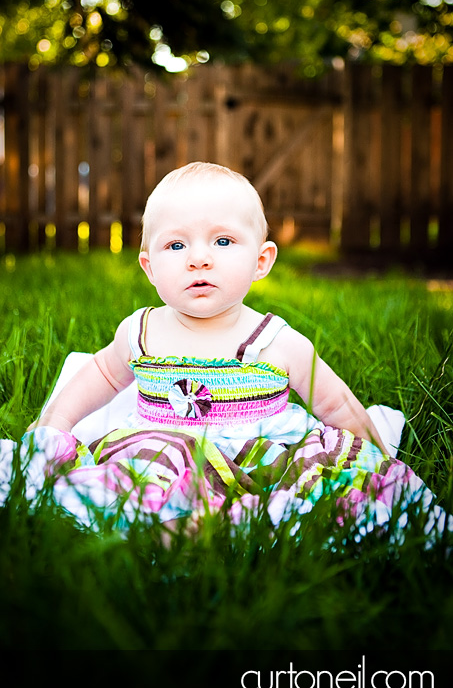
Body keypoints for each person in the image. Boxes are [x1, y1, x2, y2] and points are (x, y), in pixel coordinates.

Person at [27, 162, 441, 536]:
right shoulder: (141, 332)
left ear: (261, 261)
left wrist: (379, 455)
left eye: (223, 242)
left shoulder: (276, 341)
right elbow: (101, 374)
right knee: (143, 471)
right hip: (165, 450)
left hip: (259, 457)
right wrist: (54, 423)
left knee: (314, 480)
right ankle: (173, 527)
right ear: (149, 267)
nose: (199, 259)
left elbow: (335, 405)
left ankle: (235, 524)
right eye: (176, 246)